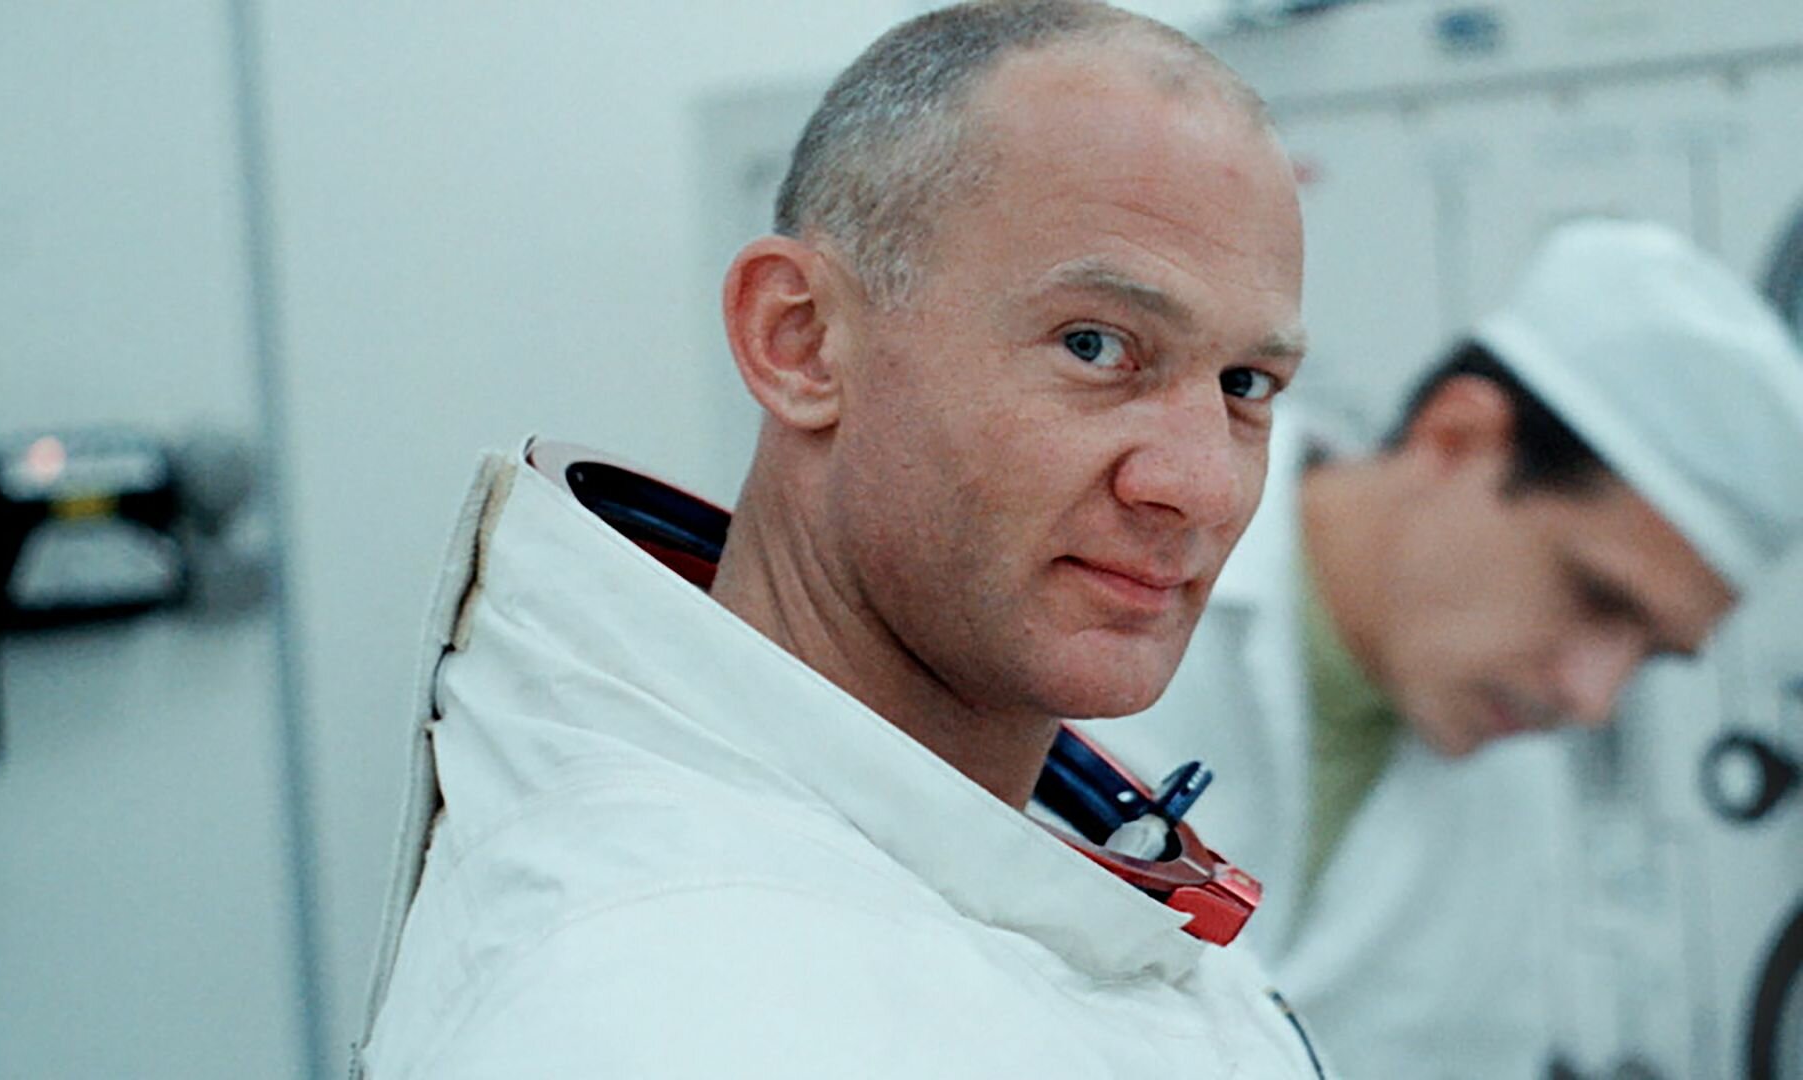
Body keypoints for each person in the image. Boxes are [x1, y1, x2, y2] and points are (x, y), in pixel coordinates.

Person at [353, 1, 1326, 1076]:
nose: (1200, 485)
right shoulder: (665, 1008)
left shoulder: (981, 873)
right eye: (1094, 346)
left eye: (1246, 384)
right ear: (802, 341)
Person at [1087, 217, 1803, 1079]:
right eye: (1594, 596)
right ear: (1455, 437)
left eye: (1649, 654)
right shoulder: (1106, 580)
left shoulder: (1515, 799)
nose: (1592, 699)